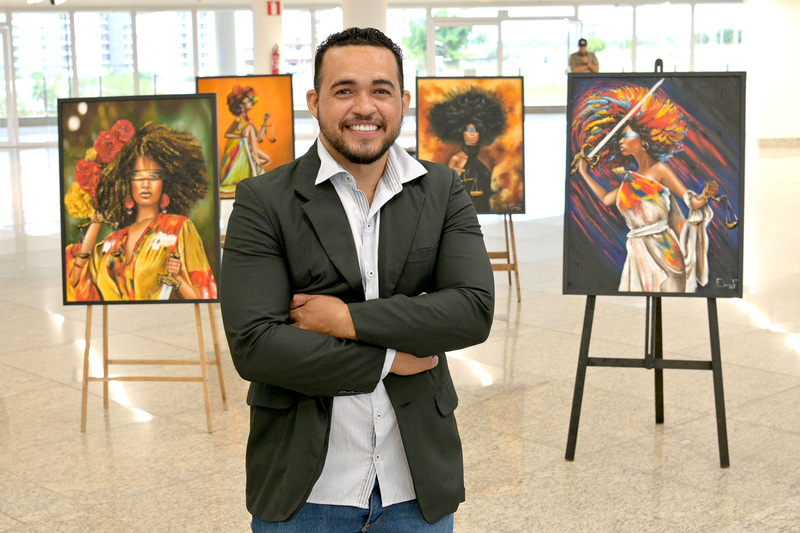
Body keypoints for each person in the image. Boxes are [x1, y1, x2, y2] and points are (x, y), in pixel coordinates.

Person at [219, 27, 495, 532]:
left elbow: (472, 312)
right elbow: (256, 345)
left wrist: (343, 318)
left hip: (415, 487)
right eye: (344, 90)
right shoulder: (263, 201)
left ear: (403, 102)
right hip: (305, 491)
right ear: (315, 101)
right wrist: (391, 357)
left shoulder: (442, 190)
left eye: (380, 90)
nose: (363, 107)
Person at [571, 83, 718, 292]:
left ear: (644, 140)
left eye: (626, 135)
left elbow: (692, 201)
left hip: (665, 251)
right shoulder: (629, 181)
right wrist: (585, 172)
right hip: (637, 252)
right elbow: (605, 199)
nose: (621, 140)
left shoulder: (661, 171)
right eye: (620, 136)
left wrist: (704, 196)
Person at [66, 121, 217, 301]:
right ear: (126, 183)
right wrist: (98, 218)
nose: (145, 184)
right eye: (138, 177)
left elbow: (205, 294)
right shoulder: (111, 243)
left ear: (166, 182)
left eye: (153, 176)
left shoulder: (177, 228)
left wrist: (177, 278)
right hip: (118, 324)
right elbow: (75, 281)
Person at [427, 86, 507, 213]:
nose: (471, 134)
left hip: (485, 205)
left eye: (475, 131)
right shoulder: (456, 160)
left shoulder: (486, 159)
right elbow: (449, 191)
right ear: (461, 132)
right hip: (462, 210)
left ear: (481, 133)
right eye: (468, 130)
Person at [219, 85, 273, 197]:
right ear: (240, 104)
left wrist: (265, 120)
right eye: (246, 101)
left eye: (250, 101)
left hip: (249, 146)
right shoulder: (239, 119)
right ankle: (253, 157)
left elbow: (259, 137)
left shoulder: (249, 120)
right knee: (248, 129)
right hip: (239, 146)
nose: (250, 104)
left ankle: (253, 162)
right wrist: (240, 136)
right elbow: (226, 134)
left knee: (267, 159)